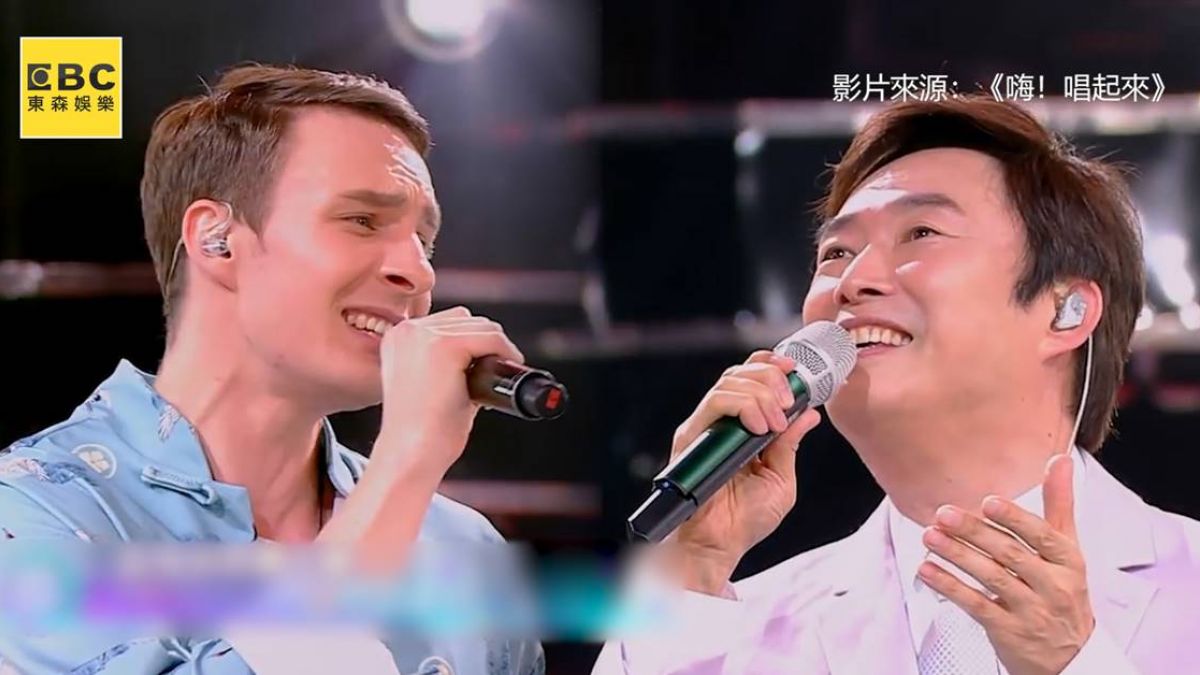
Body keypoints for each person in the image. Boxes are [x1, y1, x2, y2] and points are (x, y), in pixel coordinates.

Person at [595, 95, 1200, 674]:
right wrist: (690, 569)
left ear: (1064, 311)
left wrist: (1073, 664)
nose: (853, 281)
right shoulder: (732, 626)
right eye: (835, 253)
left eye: (921, 233)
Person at [0, 63, 544, 675]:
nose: (418, 272)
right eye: (362, 221)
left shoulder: (462, 552)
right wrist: (405, 464)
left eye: (425, 241)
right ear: (217, 240)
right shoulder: (33, 512)